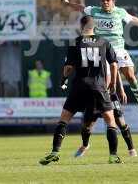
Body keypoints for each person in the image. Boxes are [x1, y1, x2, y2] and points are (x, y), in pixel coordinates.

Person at [39, 15, 123, 165]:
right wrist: (113, 83)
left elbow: (68, 67)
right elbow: (114, 65)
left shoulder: (75, 42)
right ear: (94, 26)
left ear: (81, 26)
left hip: (80, 86)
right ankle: (113, 156)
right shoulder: (104, 42)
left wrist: (63, 79)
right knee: (110, 121)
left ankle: (55, 152)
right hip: (99, 86)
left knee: (64, 119)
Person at [61, 0, 138, 119]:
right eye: (103, 0)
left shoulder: (120, 12)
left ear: (113, 1)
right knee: (108, 82)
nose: (105, 2)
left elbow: (133, 18)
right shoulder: (94, 11)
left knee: (131, 77)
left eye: (107, 0)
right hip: (103, 51)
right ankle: (106, 111)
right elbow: (81, 7)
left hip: (119, 50)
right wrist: (68, 3)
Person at [74, 72, 138, 158]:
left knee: (121, 123)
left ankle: (131, 149)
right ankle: (85, 145)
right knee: (86, 127)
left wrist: (121, 90)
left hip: (110, 95)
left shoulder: (109, 60)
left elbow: (116, 72)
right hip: (94, 95)